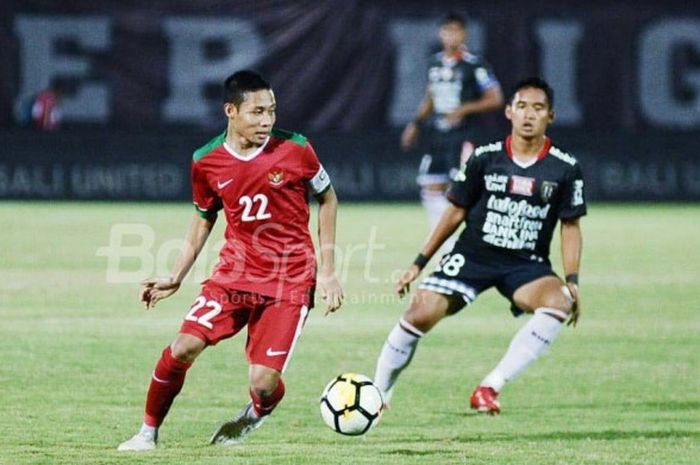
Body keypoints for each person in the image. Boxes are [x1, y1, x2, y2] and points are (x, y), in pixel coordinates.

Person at [118, 70, 344, 451]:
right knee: (183, 346)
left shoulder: (297, 149)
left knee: (262, 382)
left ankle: (256, 412)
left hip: (289, 279)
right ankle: (146, 434)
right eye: (257, 112)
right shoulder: (206, 161)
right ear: (231, 111)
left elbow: (328, 198)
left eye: (271, 111)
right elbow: (204, 217)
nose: (267, 121)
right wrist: (176, 275)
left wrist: (329, 272)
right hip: (234, 274)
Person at [375, 77, 586, 415]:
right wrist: (419, 261)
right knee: (419, 313)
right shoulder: (485, 158)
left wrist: (572, 280)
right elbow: (455, 210)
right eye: (521, 106)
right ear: (508, 111)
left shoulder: (564, 168)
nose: (528, 115)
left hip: (525, 263)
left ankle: (490, 387)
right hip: (473, 255)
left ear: (551, 116)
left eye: (538, 108)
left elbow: (571, 225)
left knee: (558, 302)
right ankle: (379, 393)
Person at [401, 12, 503, 256]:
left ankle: (473, 242)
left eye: (456, 30)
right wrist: (415, 123)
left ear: (464, 34)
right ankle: (441, 246)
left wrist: (465, 108)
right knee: (430, 184)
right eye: (447, 30)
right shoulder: (435, 63)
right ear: (440, 33)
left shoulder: (474, 65)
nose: (451, 35)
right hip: (438, 134)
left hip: (464, 135)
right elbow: (431, 97)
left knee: (462, 188)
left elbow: (496, 98)